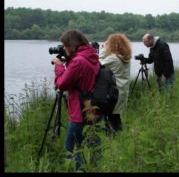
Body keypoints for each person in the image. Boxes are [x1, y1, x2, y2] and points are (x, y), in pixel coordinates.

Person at [51, 29, 100, 170]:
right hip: (91, 107)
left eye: (65, 45)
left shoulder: (78, 62)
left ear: (71, 45)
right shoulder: (91, 56)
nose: (64, 48)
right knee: (92, 141)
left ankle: (79, 169)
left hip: (79, 111)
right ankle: (95, 167)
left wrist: (59, 67)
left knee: (70, 149)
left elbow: (61, 84)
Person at [99, 33, 132, 132]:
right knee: (115, 116)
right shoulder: (125, 57)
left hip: (113, 91)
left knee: (111, 117)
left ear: (113, 45)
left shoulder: (114, 58)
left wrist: (103, 50)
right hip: (122, 90)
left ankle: (114, 137)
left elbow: (99, 65)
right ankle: (119, 136)